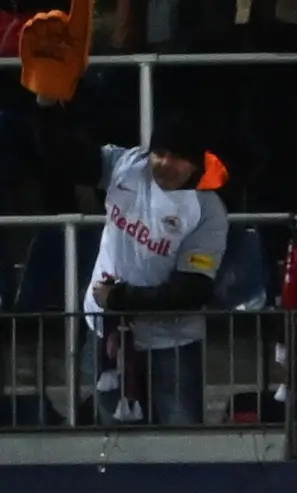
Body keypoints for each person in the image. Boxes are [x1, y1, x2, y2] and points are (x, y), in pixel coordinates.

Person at [74, 112, 226, 428]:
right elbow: (66, 159)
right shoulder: (128, 164)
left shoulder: (207, 210)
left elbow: (191, 290)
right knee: (111, 445)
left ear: (196, 163)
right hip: (106, 333)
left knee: (180, 444)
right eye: (160, 153)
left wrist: (119, 298)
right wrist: (48, 107)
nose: (165, 164)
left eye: (178, 158)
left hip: (171, 343)